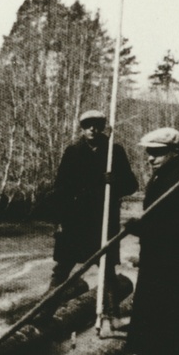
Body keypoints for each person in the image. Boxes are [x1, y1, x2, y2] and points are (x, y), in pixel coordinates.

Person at [123, 127, 179, 355]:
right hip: (158, 259)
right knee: (154, 309)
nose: (150, 158)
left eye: (158, 152)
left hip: (177, 262)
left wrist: (141, 228)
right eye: (149, 152)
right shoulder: (162, 177)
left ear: (176, 152)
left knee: (175, 314)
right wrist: (142, 226)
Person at [50, 110, 139, 309]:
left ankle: (110, 314)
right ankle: (45, 312)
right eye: (88, 125)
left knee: (106, 269)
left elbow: (132, 185)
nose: (92, 129)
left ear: (103, 126)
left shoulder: (114, 151)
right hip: (75, 221)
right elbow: (60, 189)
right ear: (82, 128)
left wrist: (114, 182)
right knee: (62, 268)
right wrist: (58, 222)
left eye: (97, 125)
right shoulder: (73, 151)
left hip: (103, 220)